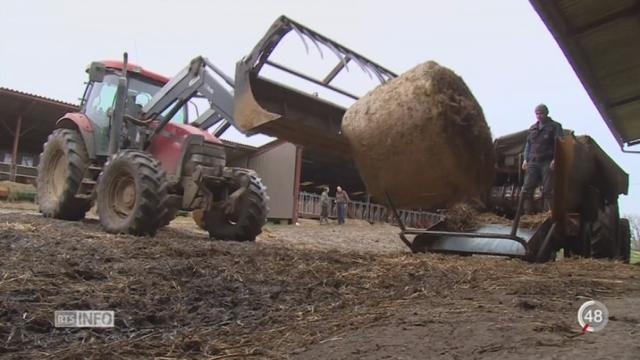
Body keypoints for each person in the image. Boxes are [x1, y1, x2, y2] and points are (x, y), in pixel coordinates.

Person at [521, 103, 563, 213]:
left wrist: (555, 159)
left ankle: (547, 215)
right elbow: (528, 145)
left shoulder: (555, 126)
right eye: (537, 113)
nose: (539, 116)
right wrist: (525, 159)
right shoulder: (532, 128)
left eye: (541, 113)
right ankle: (528, 215)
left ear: (547, 113)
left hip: (547, 161)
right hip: (533, 162)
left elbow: (559, 144)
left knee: (548, 190)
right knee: (526, 190)